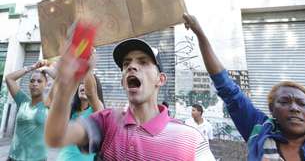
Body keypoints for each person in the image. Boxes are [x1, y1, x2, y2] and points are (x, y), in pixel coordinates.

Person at [183, 13, 305, 161]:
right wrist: (199, 33)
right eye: (284, 102)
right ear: (272, 110)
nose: (294, 108)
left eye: (302, 103)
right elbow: (226, 87)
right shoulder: (258, 129)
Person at [45, 38, 215, 160]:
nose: (132, 67)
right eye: (126, 64)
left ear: (160, 79)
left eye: (143, 62)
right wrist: (65, 87)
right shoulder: (107, 121)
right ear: (122, 81)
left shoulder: (189, 138)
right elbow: (55, 137)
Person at [5, 60, 55, 161]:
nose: (35, 84)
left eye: (39, 81)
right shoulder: (23, 100)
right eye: (32, 81)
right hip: (13, 157)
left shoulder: (48, 103)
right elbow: (9, 78)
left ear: (46, 84)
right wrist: (32, 67)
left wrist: (46, 69)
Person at [56, 72, 104, 161]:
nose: (83, 85)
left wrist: (86, 66)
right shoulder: (71, 111)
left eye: (85, 83)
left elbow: (91, 93)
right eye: (80, 83)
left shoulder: (97, 110)